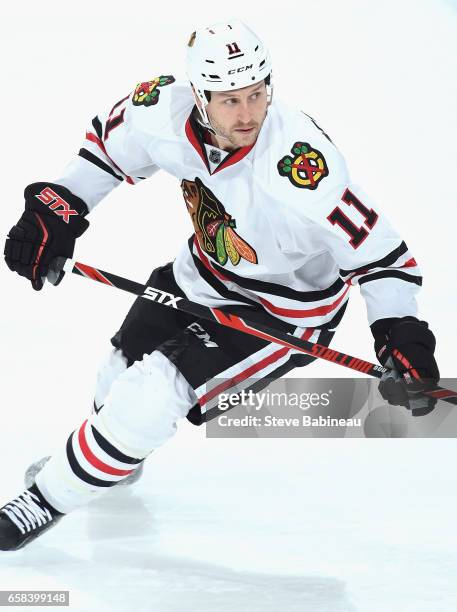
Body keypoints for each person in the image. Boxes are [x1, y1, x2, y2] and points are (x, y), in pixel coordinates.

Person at [1, 19, 439, 551]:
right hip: (203, 273)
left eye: (257, 95)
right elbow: (105, 153)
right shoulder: (159, 108)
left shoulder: (302, 170)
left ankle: (45, 502)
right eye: (230, 100)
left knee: (149, 397)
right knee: (115, 375)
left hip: (281, 315)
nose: (248, 114)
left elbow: (384, 259)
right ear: (199, 95)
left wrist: (401, 330)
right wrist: (58, 209)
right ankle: (109, 459)